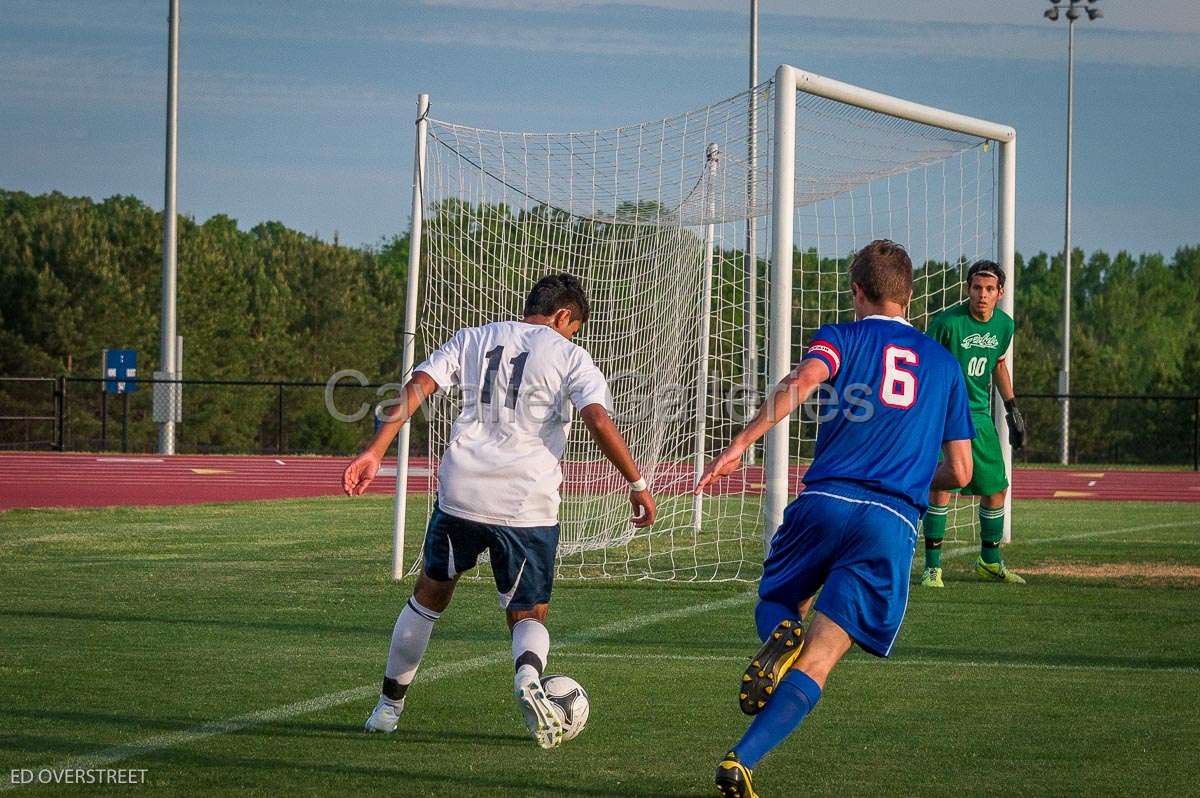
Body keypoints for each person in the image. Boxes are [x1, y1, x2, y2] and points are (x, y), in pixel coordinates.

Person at [695, 240, 974, 797]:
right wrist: (914, 474)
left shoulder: (842, 337)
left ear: (857, 291)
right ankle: (741, 761)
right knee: (820, 659)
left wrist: (740, 443)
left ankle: (780, 634)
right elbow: (962, 472)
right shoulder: (945, 365)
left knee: (777, 602)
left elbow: (800, 385)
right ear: (910, 295)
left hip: (825, 501)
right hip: (891, 519)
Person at [342, 273, 656, 749]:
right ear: (564, 316)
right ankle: (528, 675)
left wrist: (374, 450)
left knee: (428, 598)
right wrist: (635, 481)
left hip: (462, 492)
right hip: (526, 502)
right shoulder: (571, 356)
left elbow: (418, 386)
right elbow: (596, 418)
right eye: (574, 327)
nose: (573, 335)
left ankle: (387, 710)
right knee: (529, 613)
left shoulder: (474, 337)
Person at [920, 260, 1026, 588]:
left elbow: (997, 364)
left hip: (979, 416)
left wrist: (1012, 408)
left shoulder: (1004, 326)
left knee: (996, 488)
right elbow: (925, 365)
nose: (982, 295)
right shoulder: (947, 323)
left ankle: (989, 562)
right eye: (977, 288)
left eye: (990, 289)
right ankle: (932, 567)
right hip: (945, 413)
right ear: (968, 289)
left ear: (1000, 293)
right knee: (941, 487)